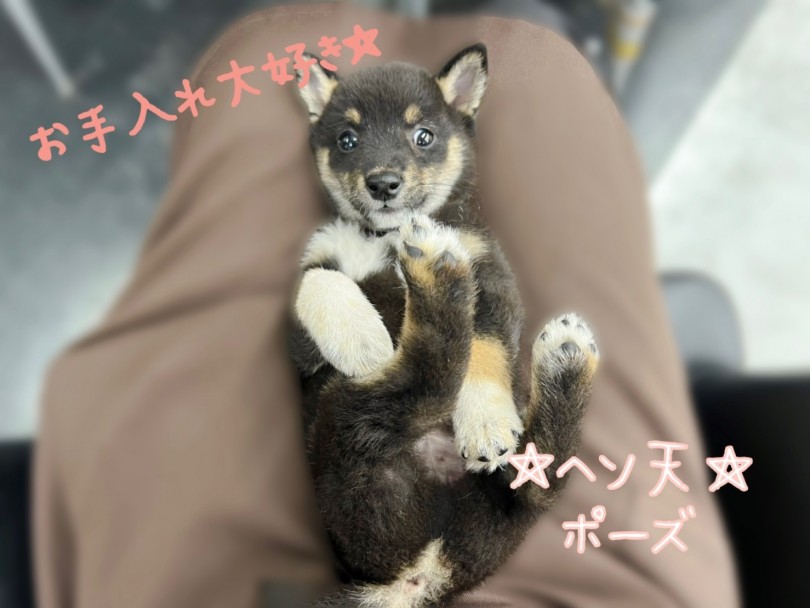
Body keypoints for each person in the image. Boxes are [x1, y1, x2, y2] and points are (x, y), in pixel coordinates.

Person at [33, 2, 740, 607]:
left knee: (362, 415)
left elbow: (474, 317)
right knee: (524, 486)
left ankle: (443, 336)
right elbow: (319, 344)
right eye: (347, 141)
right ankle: (552, 386)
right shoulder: (348, 247)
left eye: (422, 138)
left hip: (381, 486)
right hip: (463, 526)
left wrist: (482, 386)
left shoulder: (431, 242)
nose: (384, 171)